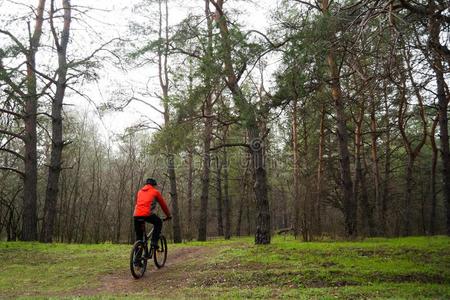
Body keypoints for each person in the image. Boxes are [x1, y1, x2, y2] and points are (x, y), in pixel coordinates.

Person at [133, 178, 171, 248]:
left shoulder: (140, 192)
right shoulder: (155, 192)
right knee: (158, 222)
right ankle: (154, 241)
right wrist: (168, 215)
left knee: (139, 238)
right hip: (147, 214)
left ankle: (136, 258)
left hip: (136, 215)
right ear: (153, 185)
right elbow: (163, 205)